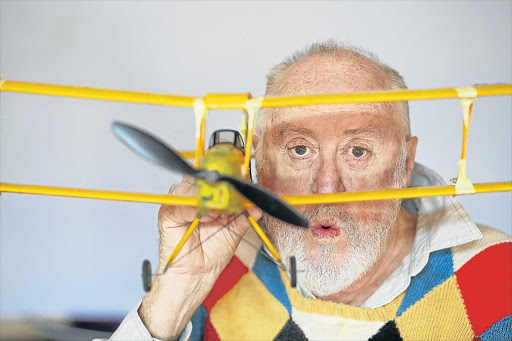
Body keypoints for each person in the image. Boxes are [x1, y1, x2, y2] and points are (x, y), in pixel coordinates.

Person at [108, 41, 511, 341]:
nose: (327, 187)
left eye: (358, 151)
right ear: (258, 161)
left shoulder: (499, 276)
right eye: (300, 149)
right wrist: (175, 294)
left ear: (405, 163)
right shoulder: (219, 264)